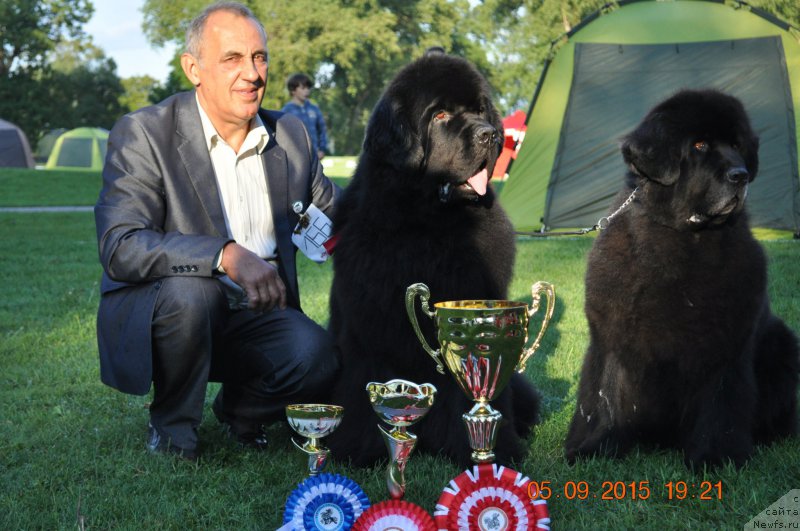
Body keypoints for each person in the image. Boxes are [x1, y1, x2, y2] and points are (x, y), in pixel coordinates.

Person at [94, 1, 340, 460]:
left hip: (259, 313)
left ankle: (240, 412)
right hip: (175, 313)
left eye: (259, 57)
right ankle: (172, 430)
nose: (252, 73)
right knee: (194, 293)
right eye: (232, 58)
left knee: (319, 355)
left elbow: (339, 217)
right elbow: (121, 245)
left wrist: (423, 192)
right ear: (194, 68)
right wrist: (225, 254)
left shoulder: (291, 135)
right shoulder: (144, 133)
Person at [281, 73, 330, 160]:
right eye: (303, 88)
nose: (307, 91)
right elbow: (282, 135)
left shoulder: (314, 109)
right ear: (293, 90)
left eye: (308, 88)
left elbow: (322, 130)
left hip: (315, 156)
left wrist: (322, 149)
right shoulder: (286, 111)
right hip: (294, 158)